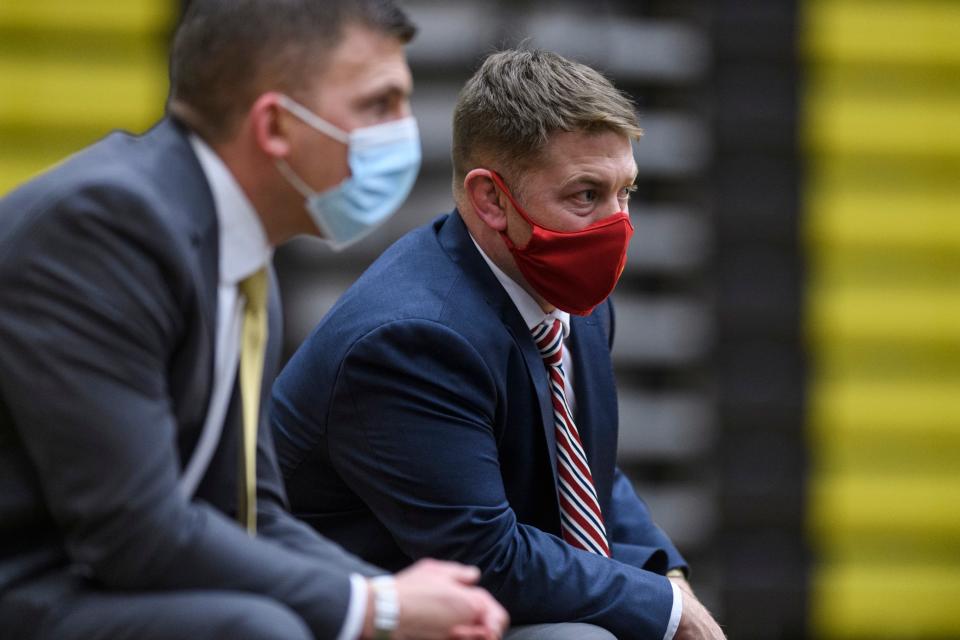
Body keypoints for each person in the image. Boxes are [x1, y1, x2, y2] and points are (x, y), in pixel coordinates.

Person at [0, 1, 508, 639]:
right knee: (260, 630)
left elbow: (251, 512)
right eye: (379, 105)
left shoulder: (240, 253)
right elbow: (131, 531)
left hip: (107, 586)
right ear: (274, 125)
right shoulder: (105, 226)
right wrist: (375, 608)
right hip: (34, 586)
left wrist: (383, 597)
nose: (405, 131)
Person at [271, 49, 727, 640]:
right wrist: (665, 609)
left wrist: (667, 575)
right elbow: (487, 558)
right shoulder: (413, 341)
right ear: (490, 200)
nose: (616, 227)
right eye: (586, 195)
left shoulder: (570, 296)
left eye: (626, 192)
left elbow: (591, 472)